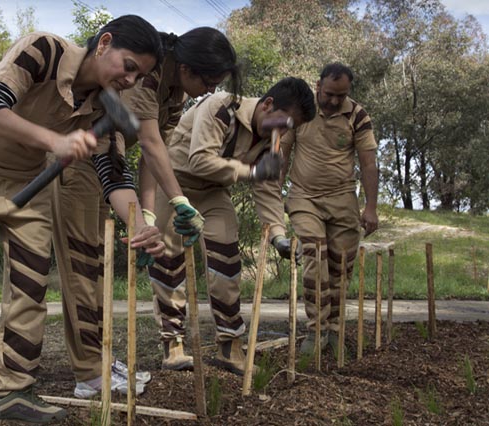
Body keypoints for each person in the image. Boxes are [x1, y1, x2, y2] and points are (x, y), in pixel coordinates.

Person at [0, 15, 164, 426]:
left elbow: (114, 176)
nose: (131, 80)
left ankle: (13, 390)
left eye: (140, 75)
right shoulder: (44, 50)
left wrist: (140, 224)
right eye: (129, 66)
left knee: (31, 285)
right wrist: (55, 141)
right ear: (104, 43)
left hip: (30, 183)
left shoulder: (104, 105)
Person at [52, 27, 241, 398]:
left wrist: (149, 217)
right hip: (78, 159)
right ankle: (90, 373)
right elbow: (151, 144)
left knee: (98, 265)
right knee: (83, 263)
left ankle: (100, 359)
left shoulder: (175, 90)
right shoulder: (148, 75)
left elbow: (155, 159)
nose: (209, 90)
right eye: (209, 81)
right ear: (187, 67)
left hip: (109, 164)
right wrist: (181, 201)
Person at [147, 77, 316, 375]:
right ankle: (172, 344)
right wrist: (251, 171)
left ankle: (229, 344)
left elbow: (266, 188)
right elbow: (199, 160)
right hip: (173, 184)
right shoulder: (222, 106)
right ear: (267, 105)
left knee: (227, 263)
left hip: (213, 192)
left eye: (291, 128)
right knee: (167, 261)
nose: (283, 133)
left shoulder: (270, 140)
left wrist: (278, 236)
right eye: (284, 123)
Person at [280, 63, 378, 354]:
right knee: (313, 254)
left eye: (341, 95)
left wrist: (370, 208)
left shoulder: (357, 115)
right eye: (330, 94)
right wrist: (274, 194)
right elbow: (282, 153)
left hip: (343, 198)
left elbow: (369, 162)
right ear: (318, 86)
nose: (335, 101)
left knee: (339, 269)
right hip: (304, 198)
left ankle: (334, 333)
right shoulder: (300, 111)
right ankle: (315, 333)